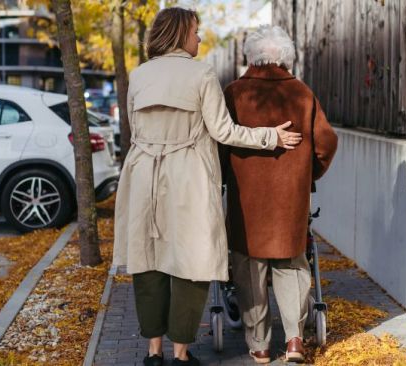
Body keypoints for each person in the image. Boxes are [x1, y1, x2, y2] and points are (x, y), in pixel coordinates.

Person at [112, 8, 303, 366]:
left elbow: (134, 132)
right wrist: (270, 137)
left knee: (147, 261)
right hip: (188, 178)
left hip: (141, 176)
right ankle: (181, 353)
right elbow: (224, 131)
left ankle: (153, 353)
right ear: (181, 33)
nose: (199, 38)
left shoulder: (138, 76)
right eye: (196, 32)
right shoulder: (201, 74)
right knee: (193, 260)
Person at [222, 25, 338, 364]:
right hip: (291, 198)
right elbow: (327, 142)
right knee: (293, 264)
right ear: (285, 57)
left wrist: (227, 174)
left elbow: (220, 139)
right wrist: (307, 174)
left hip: (247, 200)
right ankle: (294, 341)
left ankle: (258, 345)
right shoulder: (302, 94)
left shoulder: (235, 93)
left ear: (251, 55)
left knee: (248, 267)